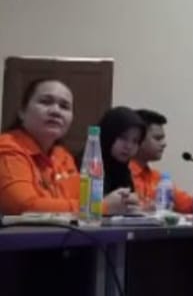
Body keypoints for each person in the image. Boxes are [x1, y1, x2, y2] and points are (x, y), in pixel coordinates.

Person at [0, 79, 134, 215]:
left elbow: (79, 201)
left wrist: (122, 202)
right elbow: (24, 206)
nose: (56, 111)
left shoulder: (62, 156)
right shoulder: (7, 147)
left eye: (64, 106)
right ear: (22, 112)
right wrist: (102, 207)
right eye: (45, 102)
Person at [130, 109, 193, 213]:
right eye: (157, 138)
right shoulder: (121, 175)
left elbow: (189, 206)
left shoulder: (158, 179)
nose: (164, 144)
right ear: (138, 139)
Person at [97, 106, 145, 216]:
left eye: (135, 141)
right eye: (123, 138)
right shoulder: (88, 163)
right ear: (108, 134)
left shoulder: (123, 170)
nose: (129, 146)